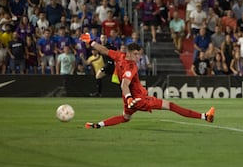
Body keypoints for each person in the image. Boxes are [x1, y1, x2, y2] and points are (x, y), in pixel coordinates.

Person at [84, 41, 215, 129]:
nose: (138, 57)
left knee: (125, 117)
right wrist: (131, 98)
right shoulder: (131, 67)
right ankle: (205, 116)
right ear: (129, 53)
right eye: (136, 54)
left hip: (128, 100)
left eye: (139, 54)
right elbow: (124, 84)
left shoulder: (120, 56)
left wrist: (91, 42)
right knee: (171, 105)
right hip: (139, 99)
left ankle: (97, 125)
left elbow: (104, 50)